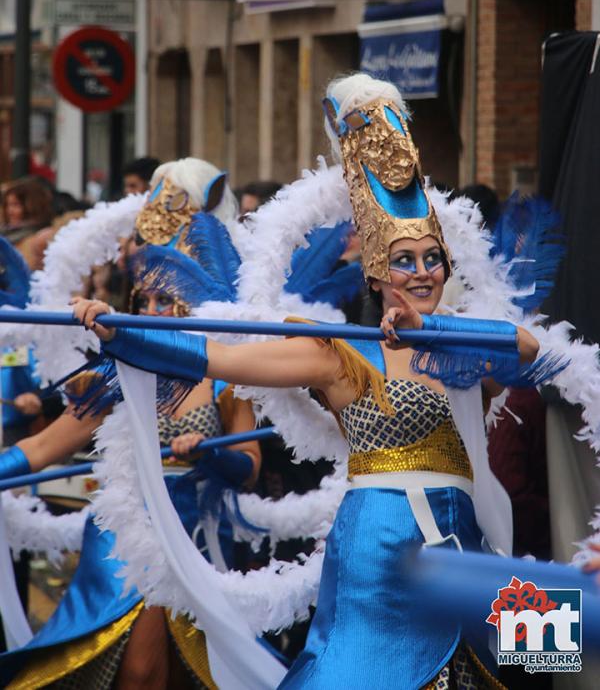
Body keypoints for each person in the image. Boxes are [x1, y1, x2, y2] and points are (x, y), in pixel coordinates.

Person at [75, 74, 554, 689]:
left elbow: (528, 353)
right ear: (376, 274)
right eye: (403, 262)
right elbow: (218, 359)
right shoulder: (339, 356)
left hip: (464, 534)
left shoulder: (465, 346)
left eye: (432, 259)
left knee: (526, 661)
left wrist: (430, 330)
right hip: (381, 542)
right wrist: (120, 333)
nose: (421, 273)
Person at [0, 161, 259, 690]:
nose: (158, 312)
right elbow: (45, 446)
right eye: (149, 300)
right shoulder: (118, 371)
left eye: (172, 300)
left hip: (194, 540)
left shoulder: (228, 374)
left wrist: (207, 454)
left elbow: (250, 469)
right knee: (134, 671)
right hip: (123, 541)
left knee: (186, 673)